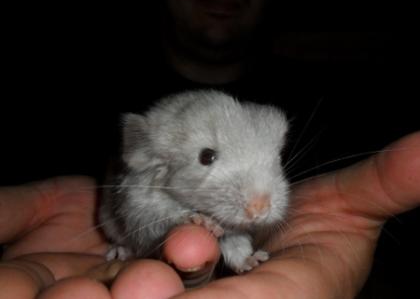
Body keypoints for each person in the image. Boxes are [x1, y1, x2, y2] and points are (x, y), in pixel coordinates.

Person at [0, 131, 419, 298]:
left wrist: (242, 253)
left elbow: (246, 220)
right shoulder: (146, 148)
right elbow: (139, 218)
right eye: (209, 156)